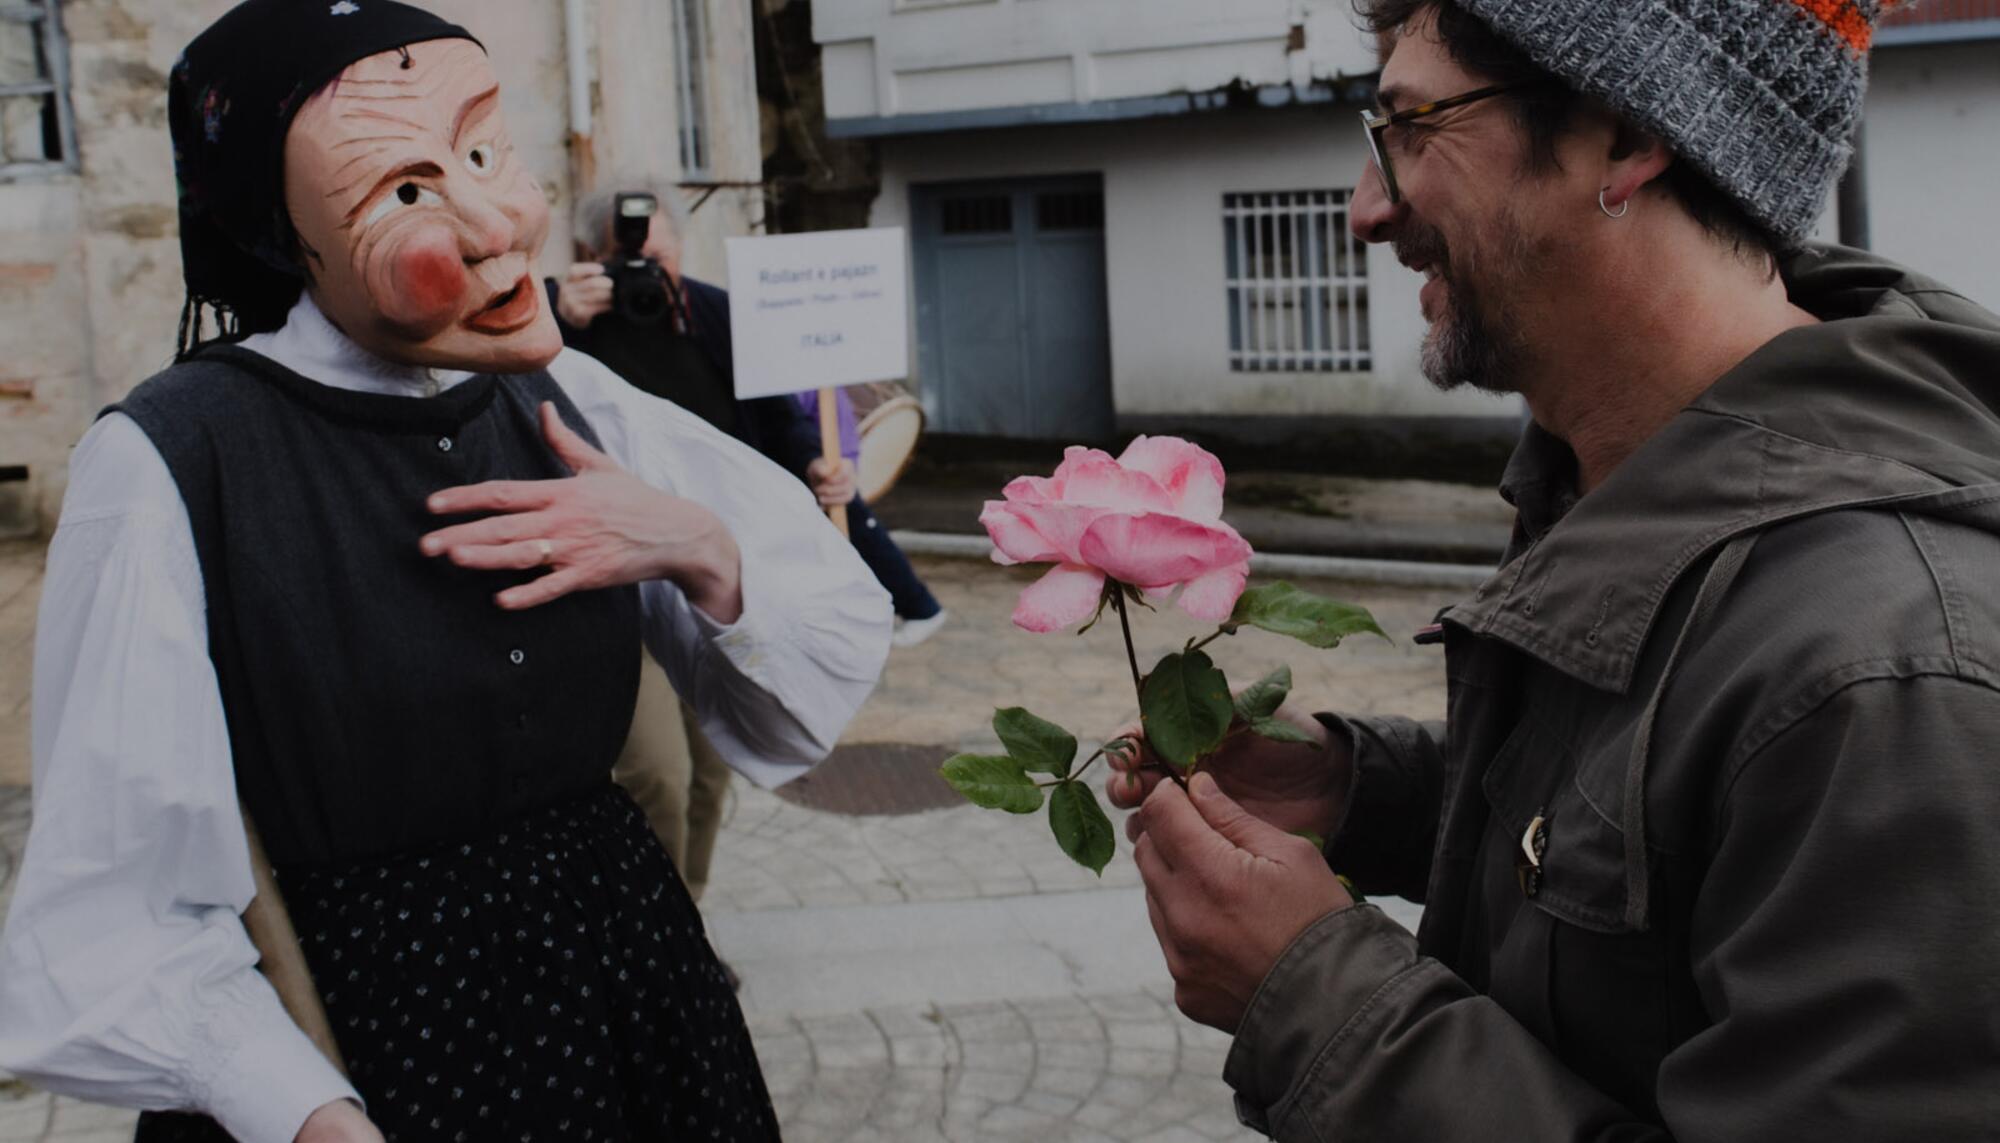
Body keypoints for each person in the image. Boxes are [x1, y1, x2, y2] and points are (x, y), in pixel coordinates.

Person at [1107, 2, 2000, 1140]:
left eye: (1414, 125)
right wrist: (1357, 794)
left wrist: (1315, 999)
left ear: (1625, 140)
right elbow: (1664, 834)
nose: (1366, 208)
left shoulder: (1887, 675)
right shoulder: (1618, 482)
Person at [0, 4, 890, 1141]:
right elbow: (119, 905)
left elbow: (791, 702)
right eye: (406, 193)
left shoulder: (576, 394)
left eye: (482, 153)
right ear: (285, 235)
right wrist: (309, 1113)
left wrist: (693, 546)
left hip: (624, 981)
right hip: (368, 1030)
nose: (493, 219)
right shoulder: (171, 460)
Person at [551, 188, 950, 648]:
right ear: (596, 257)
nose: (649, 273)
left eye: (658, 256)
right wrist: (559, 321)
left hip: (731, 533)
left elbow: (779, 415)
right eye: (628, 259)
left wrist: (815, 462)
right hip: (623, 539)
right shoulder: (569, 315)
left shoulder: (718, 312)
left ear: (681, 246)